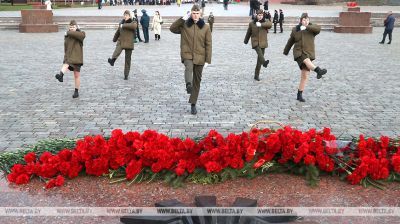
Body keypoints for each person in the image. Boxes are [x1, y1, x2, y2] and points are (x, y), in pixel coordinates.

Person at [170, 5, 212, 115]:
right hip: (187, 54)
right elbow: (172, 28)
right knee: (188, 67)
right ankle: (188, 85)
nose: (195, 15)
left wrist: (208, 60)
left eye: (197, 13)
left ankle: (193, 104)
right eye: (193, 13)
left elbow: (208, 44)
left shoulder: (206, 27)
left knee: (197, 81)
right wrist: (182, 18)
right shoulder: (184, 24)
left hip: (200, 56)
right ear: (190, 13)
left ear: (200, 14)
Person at [283, 13, 327, 102]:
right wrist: (286, 51)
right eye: (304, 20)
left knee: (305, 76)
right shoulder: (295, 29)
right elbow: (290, 41)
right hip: (298, 52)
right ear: (300, 20)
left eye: (307, 19)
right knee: (306, 60)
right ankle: (318, 70)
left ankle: (299, 94)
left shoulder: (312, 28)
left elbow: (318, 29)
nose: (306, 21)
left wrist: (307, 27)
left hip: (309, 52)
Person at [55, 20, 86, 98]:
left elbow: (81, 36)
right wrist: (65, 56)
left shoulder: (81, 34)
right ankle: (61, 75)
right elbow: (66, 47)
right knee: (66, 63)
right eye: (71, 27)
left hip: (77, 58)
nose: (72, 28)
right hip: (69, 56)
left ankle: (76, 91)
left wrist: (68, 32)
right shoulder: (67, 36)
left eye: (73, 27)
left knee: (76, 75)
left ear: (76, 27)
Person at [107, 10, 137, 80]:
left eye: (126, 15)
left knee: (127, 60)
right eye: (124, 15)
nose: (125, 16)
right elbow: (118, 32)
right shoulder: (121, 23)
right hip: (121, 41)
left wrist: (123, 25)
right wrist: (114, 39)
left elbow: (134, 26)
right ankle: (112, 60)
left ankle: (126, 74)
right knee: (117, 50)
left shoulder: (133, 22)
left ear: (129, 16)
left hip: (129, 43)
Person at [244, 9, 272, 81]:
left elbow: (270, 24)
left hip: (263, 42)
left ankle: (256, 75)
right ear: (256, 15)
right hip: (255, 42)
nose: (260, 17)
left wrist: (261, 24)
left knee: (259, 59)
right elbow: (248, 33)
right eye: (259, 15)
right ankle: (264, 63)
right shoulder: (252, 23)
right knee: (260, 54)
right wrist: (246, 40)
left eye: (261, 15)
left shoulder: (265, 22)